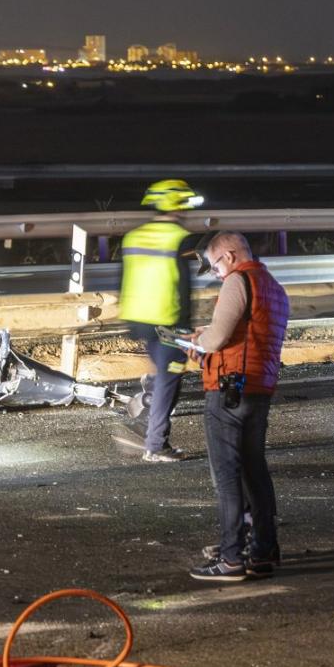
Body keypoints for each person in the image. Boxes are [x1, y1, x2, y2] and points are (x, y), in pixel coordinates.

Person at [189, 232, 289, 582]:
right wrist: (210, 336)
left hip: (229, 388)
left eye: (215, 265)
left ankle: (231, 557)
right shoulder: (272, 285)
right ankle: (264, 550)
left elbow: (216, 339)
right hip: (259, 387)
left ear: (230, 256)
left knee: (228, 476)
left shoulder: (238, 280)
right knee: (255, 472)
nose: (216, 273)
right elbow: (247, 332)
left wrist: (197, 341)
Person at [119, 179, 202, 461]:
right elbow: (183, 286)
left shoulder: (134, 236)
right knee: (170, 379)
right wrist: (186, 327)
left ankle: (151, 414)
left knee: (164, 375)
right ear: (177, 204)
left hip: (140, 319)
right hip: (168, 320)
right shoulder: (179, 238)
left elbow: (125, 279)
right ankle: (156, 445)